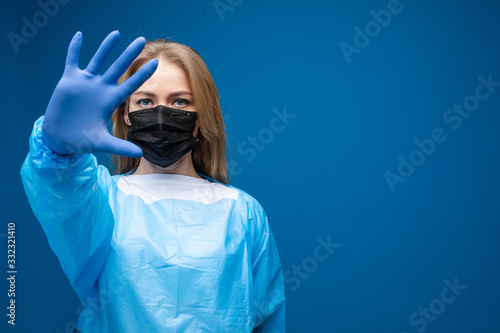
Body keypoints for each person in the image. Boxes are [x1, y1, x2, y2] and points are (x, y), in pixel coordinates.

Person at [20, 31, 285, 333]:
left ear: (201, 116)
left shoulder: (242, 212)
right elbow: (60, 189)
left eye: (180, 101)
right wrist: (56, 146)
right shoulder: (98, 199)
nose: (161, 115)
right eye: (145, 100)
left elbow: (266, 318)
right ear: (126, 114)